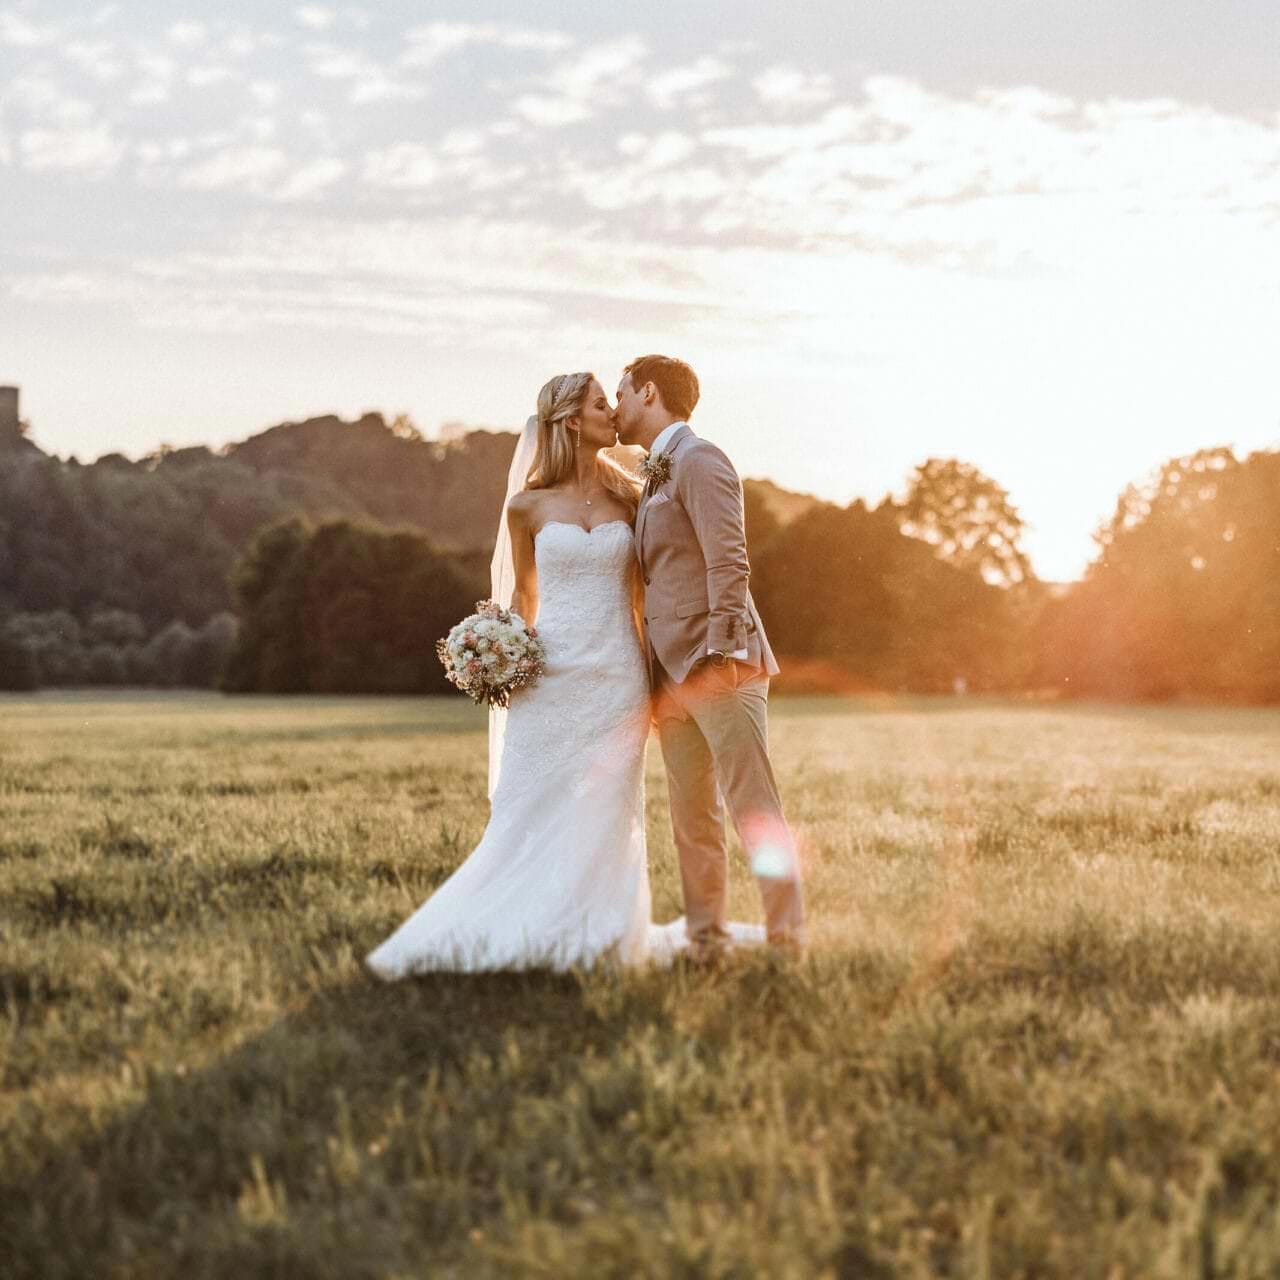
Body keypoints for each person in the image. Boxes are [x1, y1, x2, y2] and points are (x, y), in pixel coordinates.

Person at [365, 371, 761, 977]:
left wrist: (668, 667)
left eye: (615, 400)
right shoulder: (525, 506)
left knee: (607, 805)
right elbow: (522, 599)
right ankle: (517, 918)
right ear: (573, 420)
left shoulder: (633, 497)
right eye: (602, 404)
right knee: (534, 801)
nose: (614, 412)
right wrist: (495, 652)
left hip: (618, 675)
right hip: (548, 674)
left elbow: (647, 589)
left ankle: (603, 927)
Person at [614, 354, 806, 961]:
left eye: (620, 393)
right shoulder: (650, 478)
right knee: (692, 819)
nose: (615, 406)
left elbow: (730, 560)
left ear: (649, 393)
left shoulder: (701, 460)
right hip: (668, 678)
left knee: (754, 808)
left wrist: (723, 648)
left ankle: (787, 940)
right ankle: (705, 942)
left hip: (717, 663)